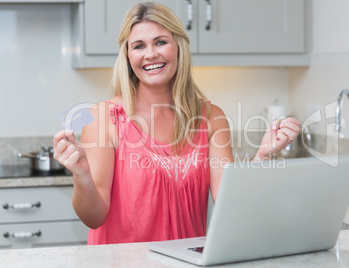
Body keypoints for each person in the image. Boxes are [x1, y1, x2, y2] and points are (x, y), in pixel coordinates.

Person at [53, 2, 300, 245]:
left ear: (179, 47)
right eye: (138, 46)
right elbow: (93, 219)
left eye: (161, 42)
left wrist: (263, 157)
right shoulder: (103, 117)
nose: (150, 54)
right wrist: (82, 176)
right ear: (128, 57)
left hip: (188, 261)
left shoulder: (211, 117)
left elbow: (231, 204)